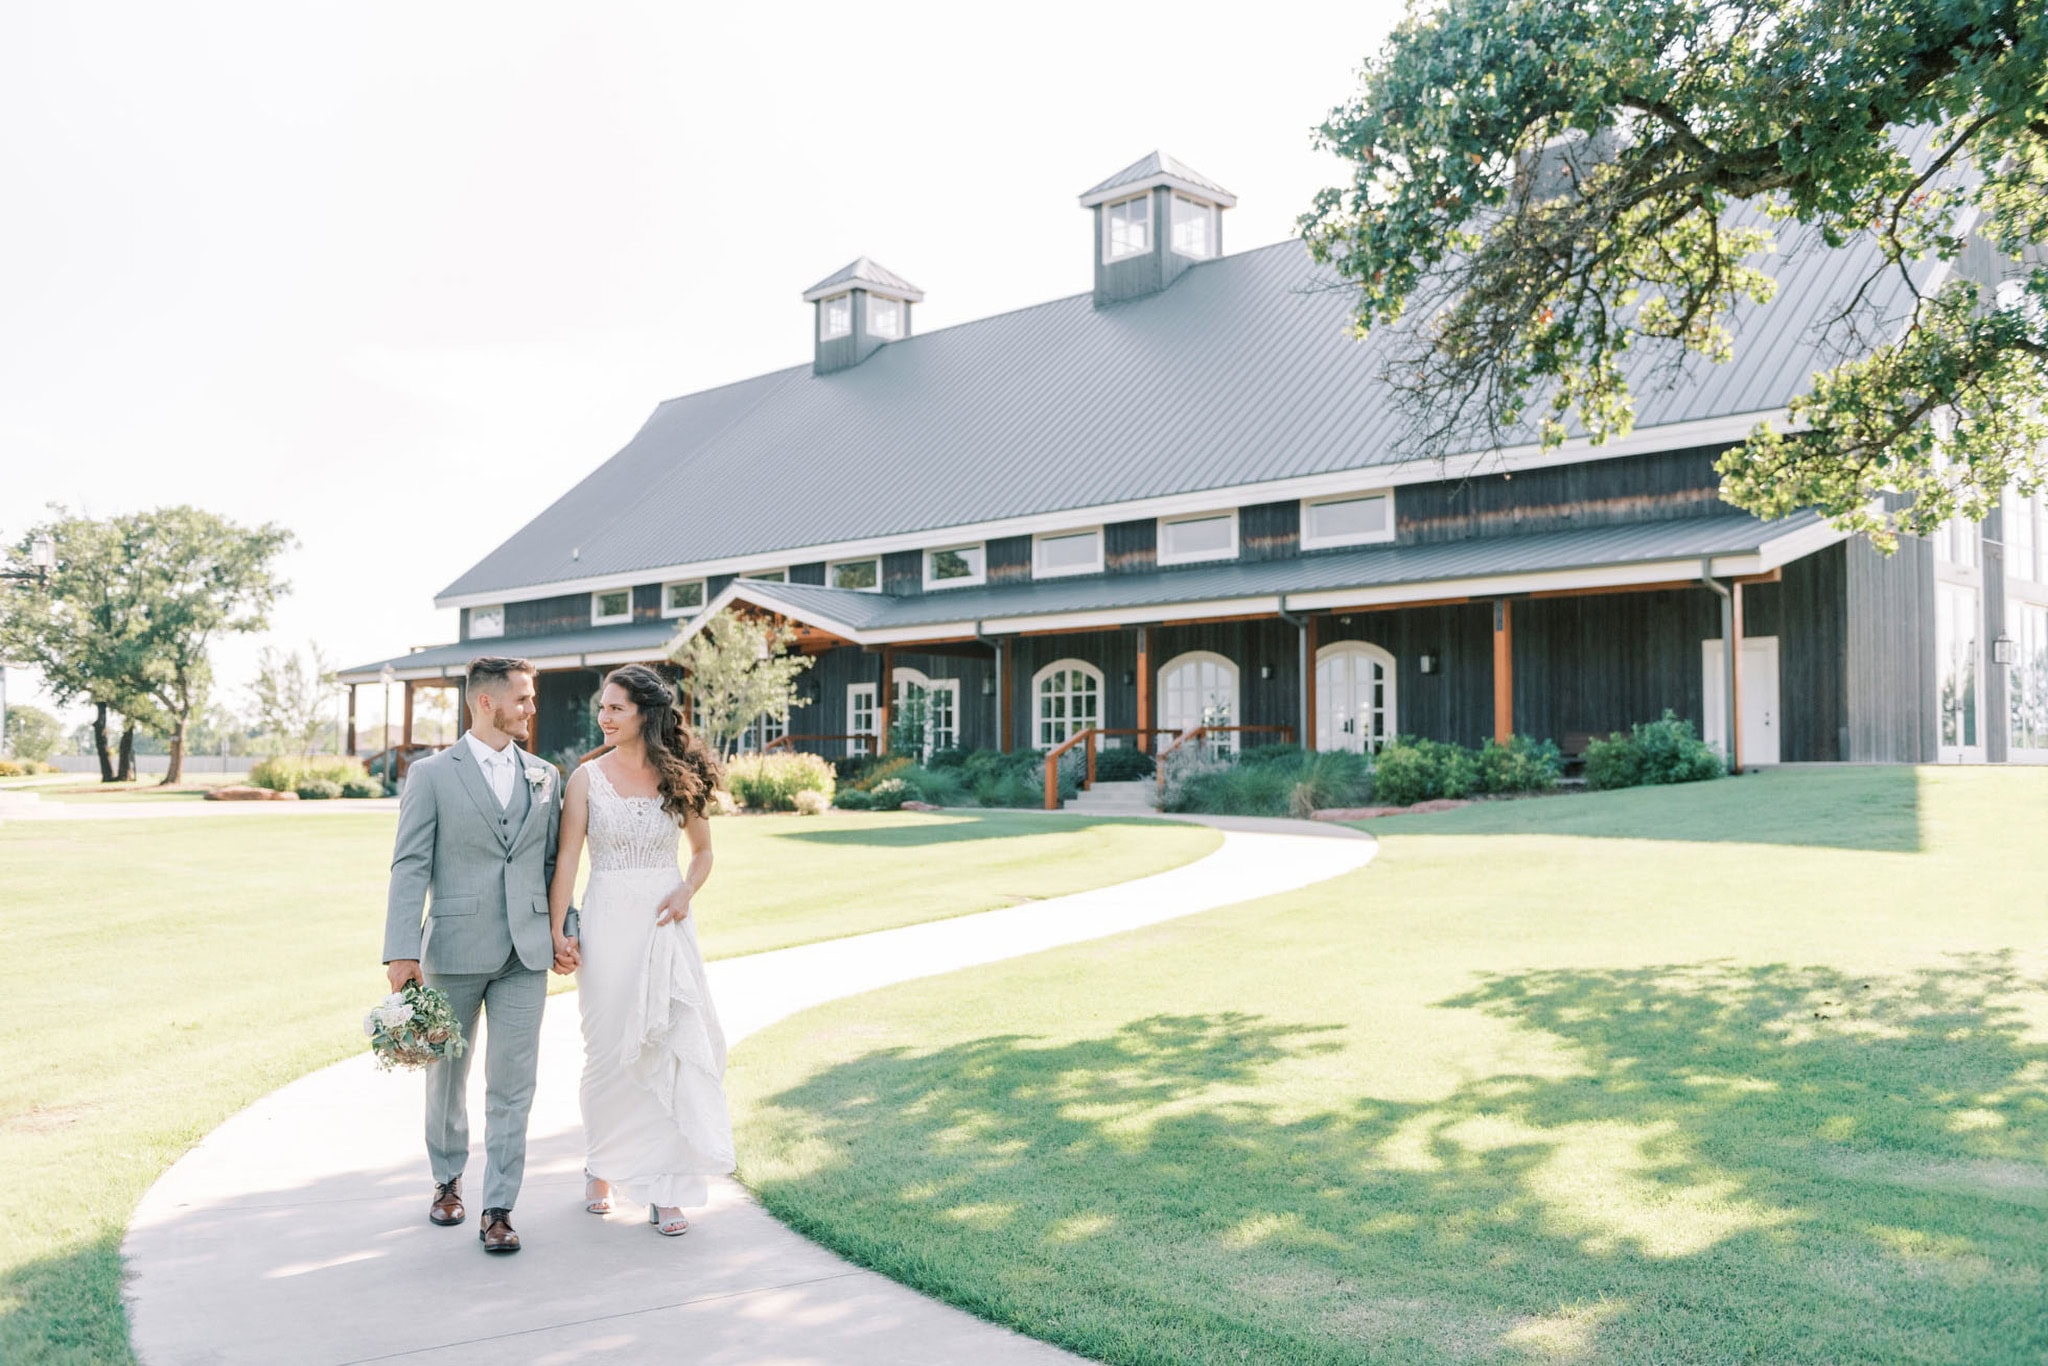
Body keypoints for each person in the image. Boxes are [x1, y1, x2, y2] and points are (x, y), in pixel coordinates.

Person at [381, 656, 565, 1254]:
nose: (532, 708)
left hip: (525, 953)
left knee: (514, 1085)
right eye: (524, 698)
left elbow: (552, 867)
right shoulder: (431, 775)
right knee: (446, 1078)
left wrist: (567, 929)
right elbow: (409, 864)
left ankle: (500, 1207)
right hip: (453, 951)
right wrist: (401, 952)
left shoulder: (545, 775)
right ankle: (446, 1181)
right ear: (485, 702)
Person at [550, 663, 733, 1236]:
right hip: (606, 923)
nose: (603, 717)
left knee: (667, 1042)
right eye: (601, 708)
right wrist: (560, 930)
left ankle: (665, 1186)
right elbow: (568, 861)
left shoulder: (679, 775)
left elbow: (701, 852)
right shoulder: (585, 779)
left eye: (615, 708)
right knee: (606, 1049)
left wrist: (686, 888)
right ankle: (601, 1162)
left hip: (664, 922)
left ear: (644, 714)